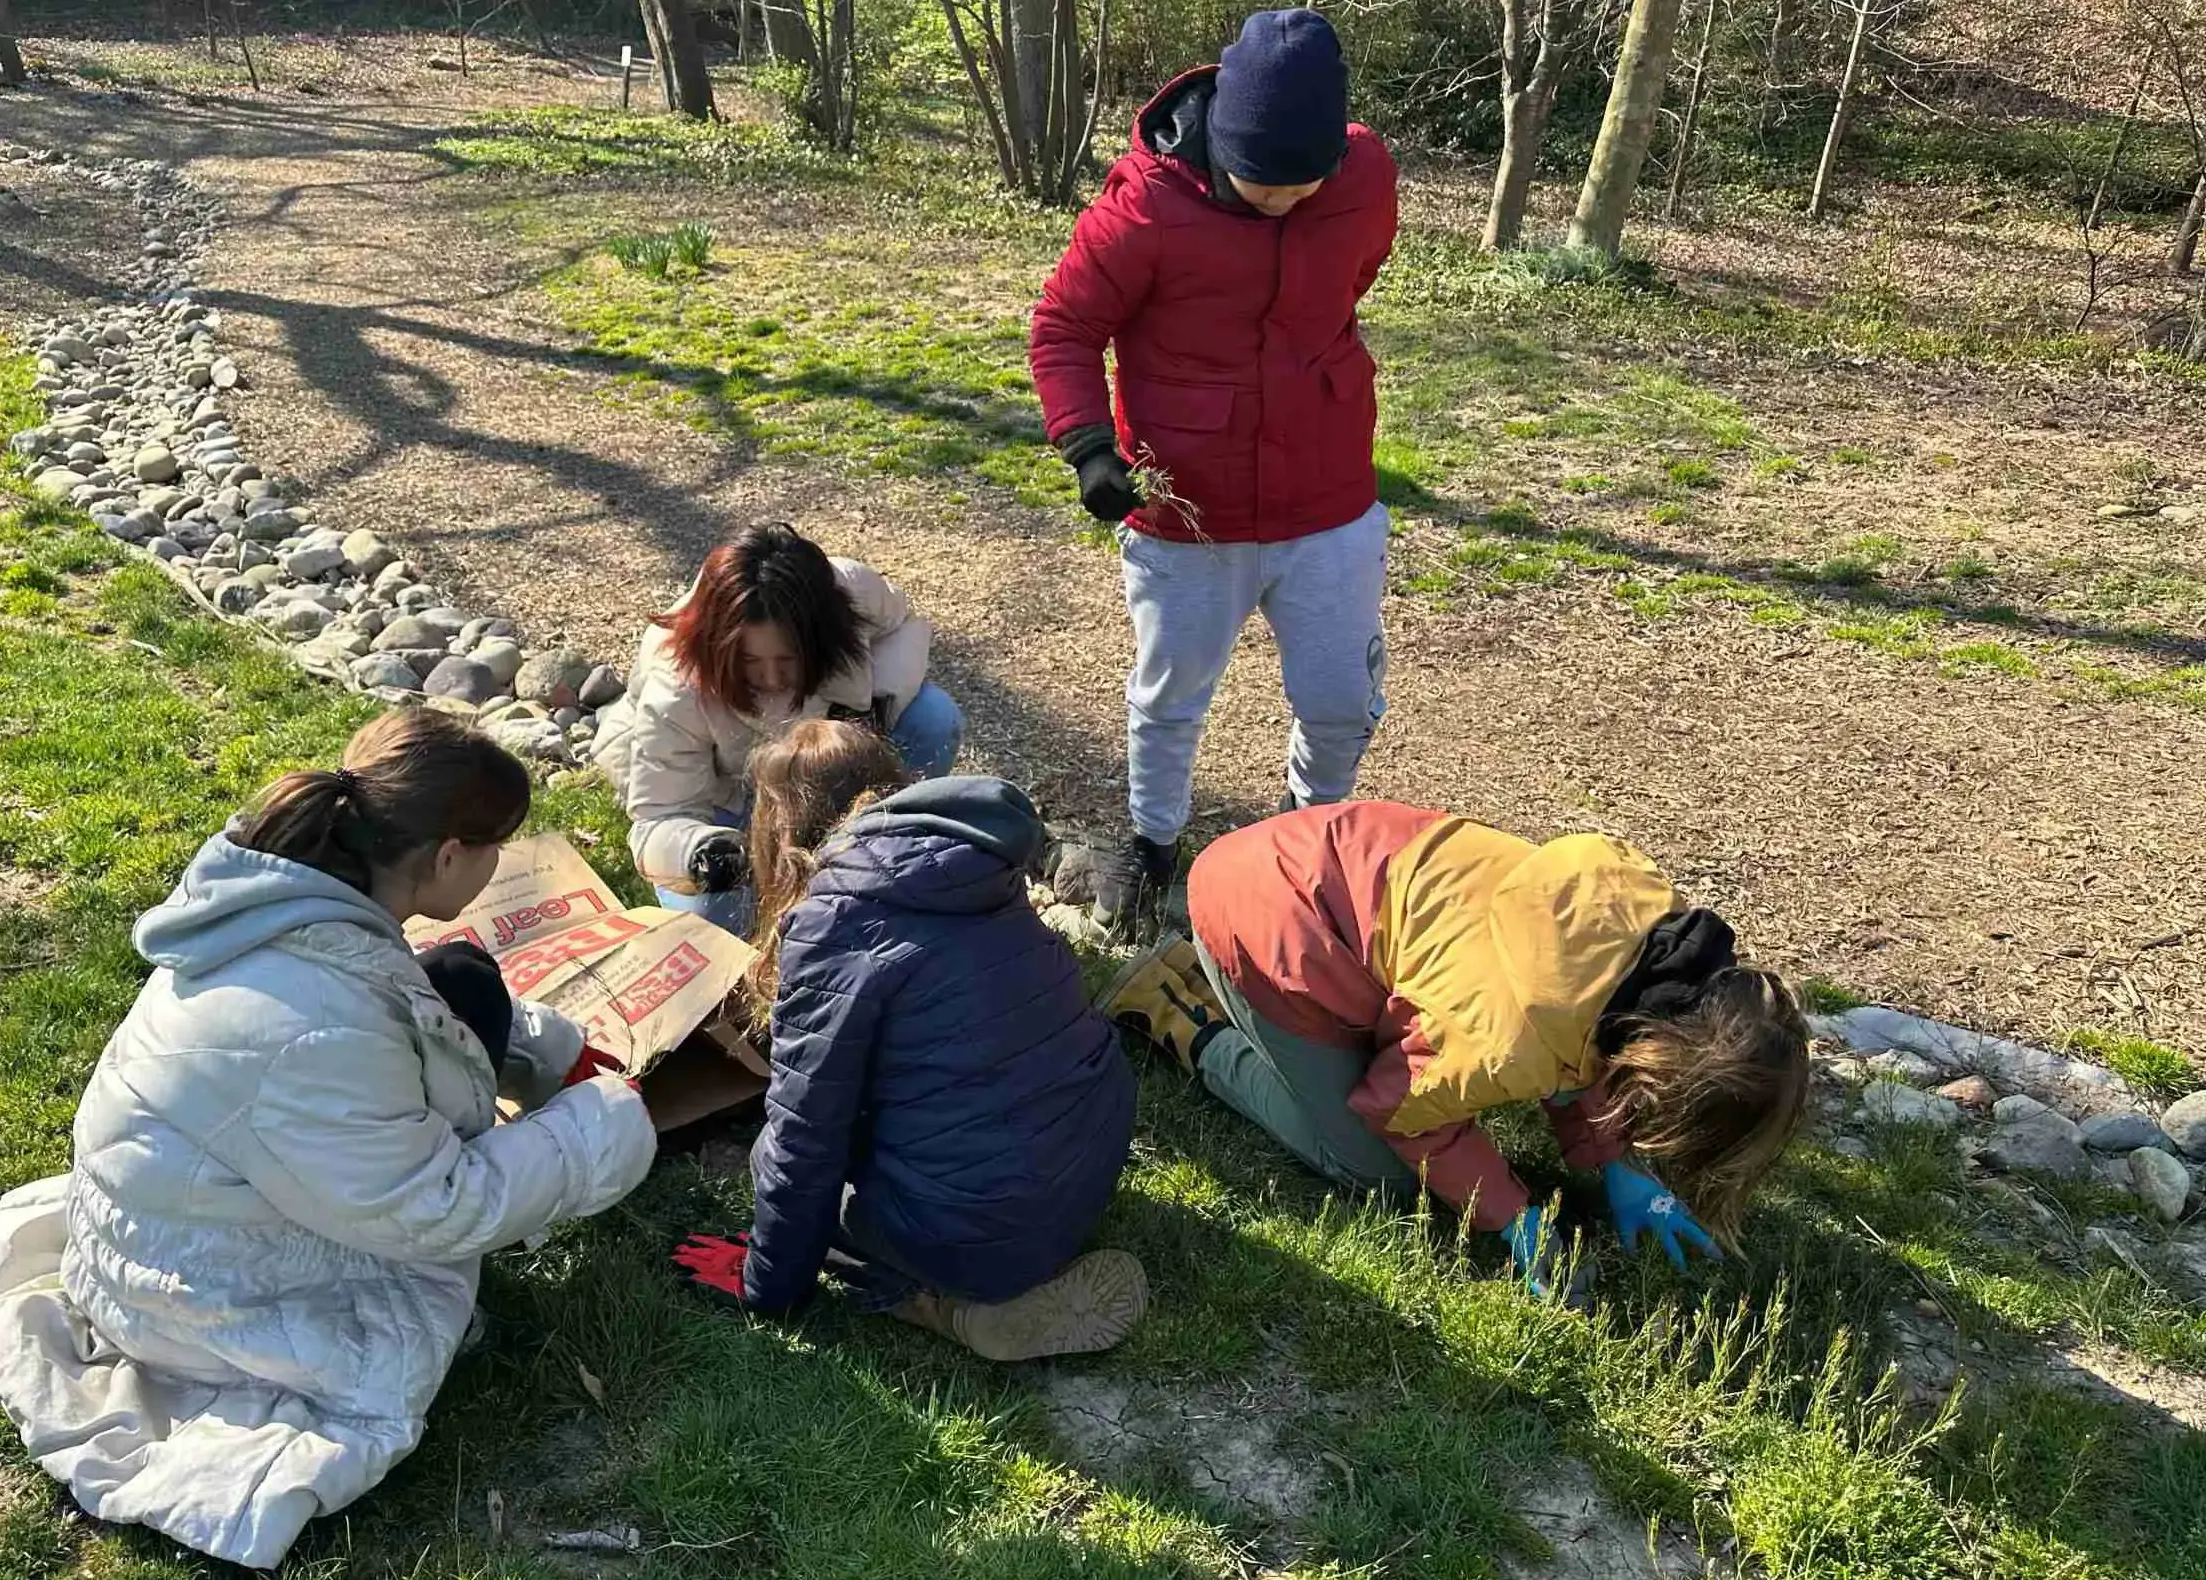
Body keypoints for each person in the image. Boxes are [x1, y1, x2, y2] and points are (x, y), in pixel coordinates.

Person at [0, 709, 656, 1570]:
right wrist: (605, 1124)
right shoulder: (317, 1025)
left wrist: (550, 1056)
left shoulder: (295, 911)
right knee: (433, 1254)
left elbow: (423, 1004)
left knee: (460, 975)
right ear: (450, 857)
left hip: (191, 1210)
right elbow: (436, 1208)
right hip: (203, 1294)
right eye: (494, 850)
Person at [1103, 801, 1810, 1300]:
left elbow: (1585, 1048)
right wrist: (1511, 1215)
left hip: (1327, 856)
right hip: (1269, 920)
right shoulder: (1501, 1042)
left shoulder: (1653, 941)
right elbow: (1398, 1107)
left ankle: (1217, 987)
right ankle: (1179, 1010)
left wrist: (1608, 1161)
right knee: (1371, 1168)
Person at [1028, 8, 1400, 939]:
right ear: (1220, 142)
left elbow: (1353, 279)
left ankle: (1313, 843)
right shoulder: (1145, 208)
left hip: (1328, 502)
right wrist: (1088, 446)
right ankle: (1155, 843)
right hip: (1187, 517)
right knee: (1170, 695)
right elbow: (1064, 329)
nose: (1281, 199)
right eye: (1259, 182)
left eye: (1300, 183)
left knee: (1340, 702)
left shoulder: (1366, 179)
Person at [670, 720, 1146, 1360]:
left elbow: (804, 1140)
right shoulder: (972, 864)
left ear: (782, 830)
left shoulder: (832, 919)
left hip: (983, 1224)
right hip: (1089, 1162)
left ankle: (936, 1304)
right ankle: (995, 1256)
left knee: (770, 1160)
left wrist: (767, 1284)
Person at [592, 523, 964, 938]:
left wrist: (872, 712)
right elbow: (660, 817)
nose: (771, 678)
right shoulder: (676, 685)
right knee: (724, 930)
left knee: (934, 717)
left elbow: (905, 627)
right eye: (750, 662)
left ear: (822, 638)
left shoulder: (851, 592)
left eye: (788, 659)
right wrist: (702, 851)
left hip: (818, 770)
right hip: (724, 799)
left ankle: (884, 841)